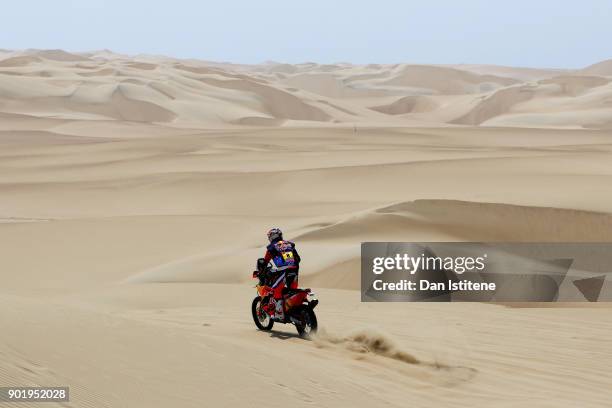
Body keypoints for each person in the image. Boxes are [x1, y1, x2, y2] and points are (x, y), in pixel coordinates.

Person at [263, 228, 300, 320]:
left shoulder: (272, 247)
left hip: (284, 271)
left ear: (272, 237)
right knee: (292, 291)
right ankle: (291, 310)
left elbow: (265, 261)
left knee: (275, 290)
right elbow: (298, 258)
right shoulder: (289, 244)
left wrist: (261, 271)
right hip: (294, 270)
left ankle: (279, 313)